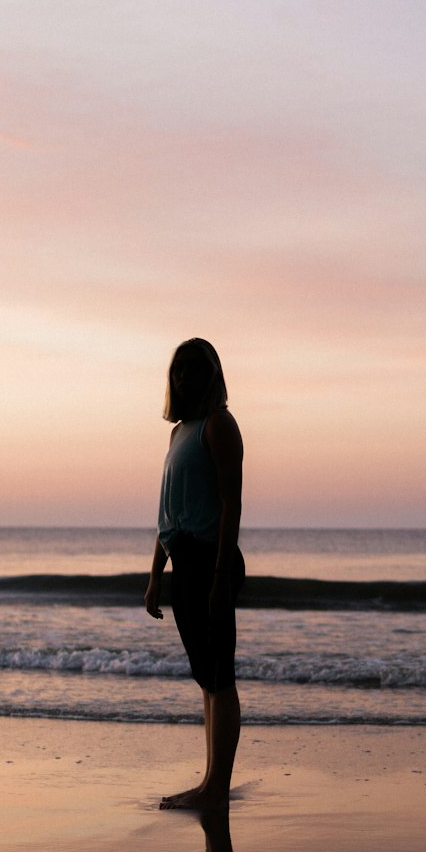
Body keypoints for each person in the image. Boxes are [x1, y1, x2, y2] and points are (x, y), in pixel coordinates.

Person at [145, 338, 244, 809]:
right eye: (177, 369)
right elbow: (168, 512)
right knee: (205, 677)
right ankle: (210, 784)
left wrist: (223, 576)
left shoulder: (219, 426)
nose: (183, 376)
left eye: (193, 368)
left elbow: (231, 505)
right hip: (183, 562)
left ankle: (216, 788)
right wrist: (154, 575)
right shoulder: (179, 432)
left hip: (210, 562)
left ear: (212, 372)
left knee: (219, 676)